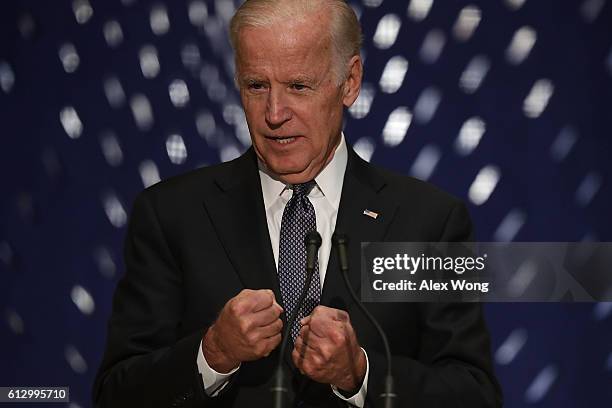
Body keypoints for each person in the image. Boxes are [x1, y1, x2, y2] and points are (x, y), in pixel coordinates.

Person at [93, 1, 502, 407]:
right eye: (257, 86)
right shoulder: (170, 215)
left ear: (350, 81)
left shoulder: (431, 222)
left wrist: (359, 374)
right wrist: (212, 354)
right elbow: (115, 396)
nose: (274, 114)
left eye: (298, 86)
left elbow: (473, 396)